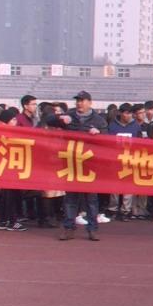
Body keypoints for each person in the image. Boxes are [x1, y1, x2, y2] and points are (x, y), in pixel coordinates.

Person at [58, 91, 107, 241]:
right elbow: (49, 120)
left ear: (90, 103)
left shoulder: (98, 120)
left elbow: (107, 138)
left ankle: (92, 229)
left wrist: (99, 133)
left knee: (91, 200)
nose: (79, 103)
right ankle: (69, 228)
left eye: (82, 100)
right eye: (78, 100)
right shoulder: (69, 115)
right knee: (70, 199)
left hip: (89, 164)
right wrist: (60, 118)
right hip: (71, 162)